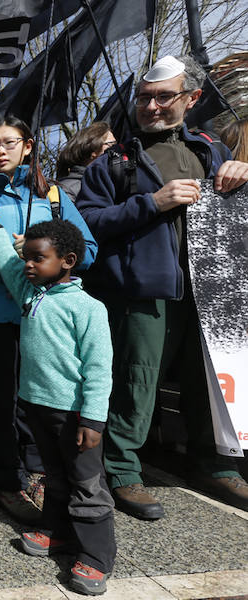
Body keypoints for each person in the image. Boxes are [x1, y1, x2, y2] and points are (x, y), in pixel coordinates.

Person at [76, 55, 248, 518]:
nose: (152, 106)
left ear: (190, 99)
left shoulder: (214, 151)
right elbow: (87, 224)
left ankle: (213, 462)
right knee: (138, 379)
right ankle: (123, 470)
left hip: (212, 291)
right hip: (144, 292)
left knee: (208, 382)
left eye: (163, 96)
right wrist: (150, 203)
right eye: (145, 97)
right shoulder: (113, 162)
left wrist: (241, 172)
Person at [0, 206, 115, 596]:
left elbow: (99, 368)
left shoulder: (87, 307)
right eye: (29, 258)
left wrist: (92, 420)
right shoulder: (31, 293)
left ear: (68, 261)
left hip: (73, 416)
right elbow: (6, 263)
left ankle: (95, 556)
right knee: (54, 475)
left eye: (38, 258)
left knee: (86, 483)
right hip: (36, 407)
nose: (29, 265)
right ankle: (57, 533)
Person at [0, 116, 98, 524]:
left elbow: (88, 251)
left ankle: (39, 471)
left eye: (9, 142)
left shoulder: (54, 196)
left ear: (28, 147)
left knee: (38, 402)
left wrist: (42, 249)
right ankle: (5, 479)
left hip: (44, 319)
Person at [56, 122, 116, 199]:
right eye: (112, 145)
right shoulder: (68, 191)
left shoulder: (105, 184)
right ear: (94, 149)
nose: (116, 150)